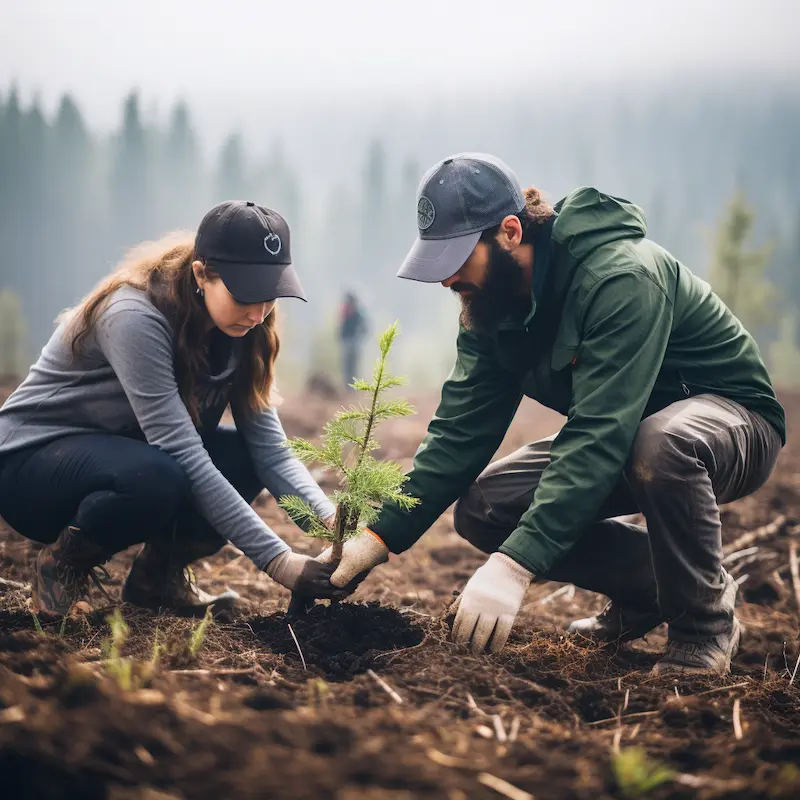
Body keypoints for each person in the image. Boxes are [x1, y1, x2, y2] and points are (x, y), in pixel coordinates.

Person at [314, 153, 786, 677]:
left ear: (511, 232)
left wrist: (516, 566)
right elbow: (459, 435)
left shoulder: (621, 277)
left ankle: (703, 626)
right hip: (628, 434)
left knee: (661, 444)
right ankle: (653, 585)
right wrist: (378, 536)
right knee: (486, 508)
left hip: (730, 422)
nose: (446, 279)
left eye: (456, 258)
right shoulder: (489, 308)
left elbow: (599, 432)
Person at [0, 201, 346, 618]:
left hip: (124, 455)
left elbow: (270, 451)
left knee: (242, 457)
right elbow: (183, 453)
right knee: (159, 475)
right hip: (31, 469)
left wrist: (332, 524)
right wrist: (281, 562)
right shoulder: (133, 316)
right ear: (202, 273)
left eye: (269, 296)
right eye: (244, 296)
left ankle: (156, 579)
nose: (257, 314)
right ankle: (62, 567)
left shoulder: (245, 329)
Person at [338, 291, 368, 392]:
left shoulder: (358, 315)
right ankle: (348, 389)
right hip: (347, 343)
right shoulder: (346, 313)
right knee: (347, 368)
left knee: (353, 368)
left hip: (354, 344)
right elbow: (341, 329)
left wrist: (358, 338)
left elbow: (365, 329)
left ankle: (353, 389)